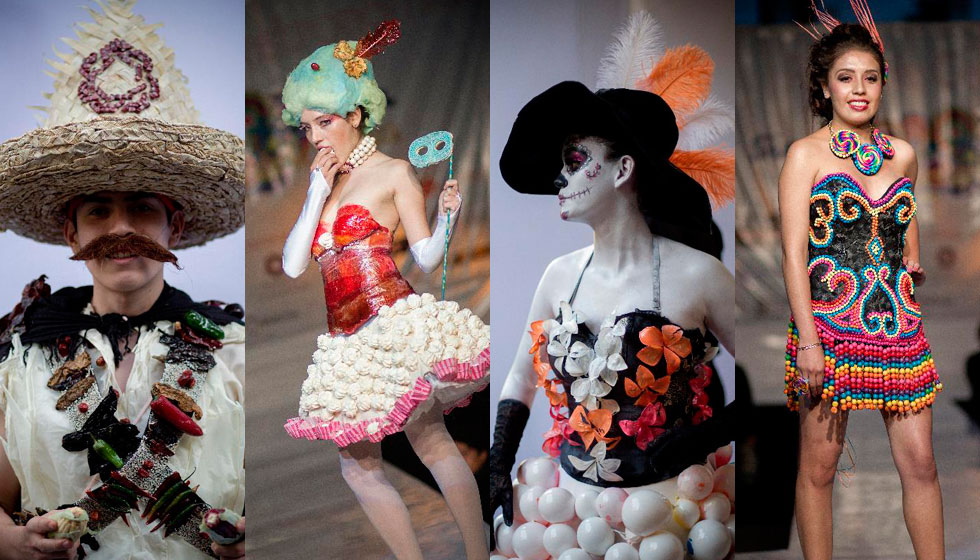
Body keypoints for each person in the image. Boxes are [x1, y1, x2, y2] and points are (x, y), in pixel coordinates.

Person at [0, 2, 245, 559]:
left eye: (142, 208)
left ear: (174, 226)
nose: (121, 230)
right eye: (97, 212)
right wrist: (11, 543)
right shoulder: (20, 354)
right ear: (71, 232)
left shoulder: (234, 349)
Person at [489, 12, 736, 556]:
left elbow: (776, 377)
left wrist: (701, 436)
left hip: (676, 514)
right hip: (570, 513)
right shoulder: (558, 276)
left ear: (623, 171)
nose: (561, 178)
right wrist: (499, 464)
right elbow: (519, 377)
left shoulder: (698, 274)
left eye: (575, 162)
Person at [279, 20, 491, 560]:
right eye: (306, 128)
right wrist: (313, 195)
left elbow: (425, 256)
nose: (317, 137)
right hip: (346, 342)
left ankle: (477, 553)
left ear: (355, 115)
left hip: (390, 322)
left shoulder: (394, 172)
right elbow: (293, 265)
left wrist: (447, 217)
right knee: (357, 465)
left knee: (431, 441)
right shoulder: (325, 188)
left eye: (325, 121)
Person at [781, 4, 943, 558]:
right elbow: (791, 255)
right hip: (829, 331)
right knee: (819, 469)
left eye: (870, 78)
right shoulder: (804, 156)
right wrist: (807, 340)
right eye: (846, 78)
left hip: (899, 328)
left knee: (921, 463)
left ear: (882, 86)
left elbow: (906, 217)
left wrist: (912, 260)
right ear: (825, 88)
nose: (859, 89)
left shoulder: (904, 155)